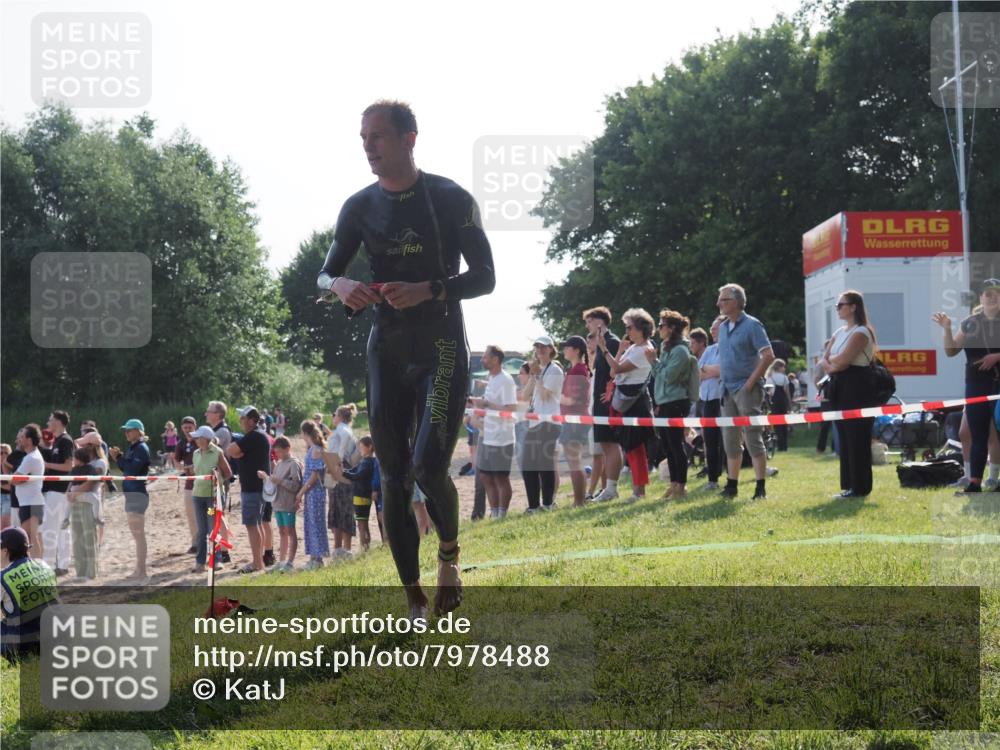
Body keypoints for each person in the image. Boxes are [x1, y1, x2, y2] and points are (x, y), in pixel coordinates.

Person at [316, 100, 495, 619]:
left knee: (427, 465)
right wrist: (341, 285)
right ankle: (412, 593)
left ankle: (449, 557)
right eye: (363, 137)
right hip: (387, 351)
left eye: (377, 136)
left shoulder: (450, 198)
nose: (368, 146)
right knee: (391, 474)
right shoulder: (358, 206)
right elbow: (324, 275)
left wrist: (431, 289)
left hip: (441, 348)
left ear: (409, 138)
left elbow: (485, 276)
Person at [934, 278, 1000, 495]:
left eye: (996, 293)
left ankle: (994, 479)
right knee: (977, 434)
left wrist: (996, 357)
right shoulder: (970, 322)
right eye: (987, 293)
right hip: (976, 386)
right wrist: (947, 329)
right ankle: (974, 483)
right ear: (981, 297)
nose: (992, 297)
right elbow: (951, 350)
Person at [716, 283, 775, 500]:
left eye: (724, 299)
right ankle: (732, 485)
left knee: (752, 437)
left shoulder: (752, 325)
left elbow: (768, 355)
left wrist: (750, 383)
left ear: (738, 302)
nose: (719, 303)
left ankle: (760, 487)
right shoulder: (722, 328)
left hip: (746, 388)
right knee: (730, 438)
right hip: (727, 389)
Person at [820, 290, 880, 499]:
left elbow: (843, 361)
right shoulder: (839, 332)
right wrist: (833, 362)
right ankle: (849, 485)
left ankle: (861, 487)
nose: (838, 308)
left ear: (853, 306)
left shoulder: (862, 332)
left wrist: (834, 362)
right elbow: (824, 359)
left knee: (857, 438)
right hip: (840, 386)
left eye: (841, 305)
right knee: (844, 438)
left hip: (858, 387)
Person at [596, 308, 656, 503]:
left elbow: (617, 368)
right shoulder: (633, 347)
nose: (627, 331)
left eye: (629, 327)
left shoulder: (644, 349)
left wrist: (604, 348)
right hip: (625, 401)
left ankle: (639, 493)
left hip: (635, 403)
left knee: (636, 448)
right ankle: (636, 491)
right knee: (630, 448)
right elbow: (614, 374)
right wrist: (620, 350)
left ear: (640, 328)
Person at [649, 310, 695, 500]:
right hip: (664, 401)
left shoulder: (681, 351)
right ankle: (674, 484)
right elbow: (658, 376)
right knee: (667, 445)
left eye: (661, 325)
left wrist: (653, 361)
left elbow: (668, 377)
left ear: (672, 328)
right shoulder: (666, 347)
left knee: (676, 445)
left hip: (676, 402)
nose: (658, 329)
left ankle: (681, 487)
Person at [471, 345, 518, 517]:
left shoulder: (505, 380)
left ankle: (501, 513)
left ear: (495, 359)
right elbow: (490, 403)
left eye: (485, 357)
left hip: (502, 437)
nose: (482, 360)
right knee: (485, 476)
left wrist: (487, 404)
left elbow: (511, 408)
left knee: (500, 477)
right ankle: (494, 512)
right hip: (489, 434)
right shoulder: (492, 378)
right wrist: (479, 404)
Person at [1, 527, 58, 664]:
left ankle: (18, 658)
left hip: (27, 645)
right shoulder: (44, 565)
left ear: (5, 551)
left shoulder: (3, 577)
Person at [583, 307, 623, 502]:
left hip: (608, 402)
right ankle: (607, 489)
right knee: (605, 445)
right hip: (599, 402)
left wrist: (610, 394)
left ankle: (612, 488)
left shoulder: (613, 342)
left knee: (610, 444)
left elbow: (617, 371)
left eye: (589, 321)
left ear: (600, 321)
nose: (587, 325)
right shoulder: (599, 344)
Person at [521, 336, 565, 512]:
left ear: (551, 350)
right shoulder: (539, 370)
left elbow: (546, 395)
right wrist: (533, 375)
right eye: (537, 347)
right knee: (528, 465)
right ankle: (533, 506)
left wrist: (537, 376)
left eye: (543, 347)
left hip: (550, 421)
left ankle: (547, 504)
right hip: (536, 422)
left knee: (544, 464)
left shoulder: (555, 370)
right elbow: (525, 396)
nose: (540, 350)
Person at [227, 407, 271, 573]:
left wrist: (239, 453)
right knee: (256, 524)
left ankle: (257, 563)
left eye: (243, 418)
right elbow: (233, 451)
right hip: (255, 487)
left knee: (252, 525)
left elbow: (231, 450)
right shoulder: (257, 436)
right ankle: (258, 561)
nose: (240, 421)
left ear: (252, 420)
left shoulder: (254, 436)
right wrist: (239, 453)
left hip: (253, 488)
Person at [109, 419, 152, 581]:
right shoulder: (134, 447)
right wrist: (118, 458)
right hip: (132, 494)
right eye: (125, 431)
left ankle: (141, 570)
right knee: (137, 535)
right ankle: (140, 569)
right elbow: (126, 469)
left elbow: (132, 469)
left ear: (138, 431)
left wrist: (119, 457)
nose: (126, 433)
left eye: (129, 430)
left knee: (139, 535)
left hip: (137, 494)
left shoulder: (141, 448)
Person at [189, 425, 233, 573]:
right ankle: (200, 562)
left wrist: (217, 477)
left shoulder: (217, 452)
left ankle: (217, 560)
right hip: (198, 495)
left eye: (198, 437)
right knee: (201, 530)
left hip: (212, 497)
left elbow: (228, 473)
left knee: (212, 528)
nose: (195, 440)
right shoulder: (195, 453)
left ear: (206, 439)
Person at [258, 435, 302, 572]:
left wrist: (280, 481)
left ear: (288, 449)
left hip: (288, 503)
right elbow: (273, 482)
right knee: (282, 531)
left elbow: (296, 485)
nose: (277, 454)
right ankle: (282, 561)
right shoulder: (279, 464)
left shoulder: (294, 464)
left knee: (290, 531)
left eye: (279, 451)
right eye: (276, 452)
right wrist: (266, 477)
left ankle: (290, 562)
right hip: (278, 503)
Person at [39, 411, 74, 576]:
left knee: (51, 528)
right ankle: (61, 564)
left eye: (50, 419)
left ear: (59, 422)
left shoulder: (65, 441)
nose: (47, 422)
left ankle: (51, 565)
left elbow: (68, 466)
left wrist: (46, 464)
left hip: (58, 489)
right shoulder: (55, 441)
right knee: (59, 527)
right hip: (53, 489)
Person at [558, 336, 591, 507]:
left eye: (567, 347)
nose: (564, 350)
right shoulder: (577, 369)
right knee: (574, 460)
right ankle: (580, 500)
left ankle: (579, 501)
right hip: (573, 419)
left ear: (577, 350)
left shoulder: (578, 370)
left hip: (575, 419)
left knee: (574, 461)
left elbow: (570, 400)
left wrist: (553, 395)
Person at [694, 318, 725, 490]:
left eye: (715, 329)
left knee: (727, 439)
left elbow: (725, 369)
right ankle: (713, 479)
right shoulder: (710, 349)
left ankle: (732, 475)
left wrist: (709, 370)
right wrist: (713, 371)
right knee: (710, 440)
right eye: (711, 329)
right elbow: (698, 372)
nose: (712, 332)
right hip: (706, 399)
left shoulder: (728, 348)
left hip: (721, 398)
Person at [325, 404, 359, 559]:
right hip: (342, 468)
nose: (333, 417)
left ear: (340, 416)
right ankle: (342, 549)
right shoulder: (345, 429)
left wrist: (337, 462)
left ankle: (342, 549)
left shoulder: (342, 429)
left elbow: (341, 446)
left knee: (340, 508)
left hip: (339, 468)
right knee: (341, 509)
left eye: (335, 414)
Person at [297, 420, 329, 569]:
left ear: (305, 433)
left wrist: (301, 492)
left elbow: (315, 475)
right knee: (310, 523)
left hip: (315, 492)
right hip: (311, 492)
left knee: (316, 524)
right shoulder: (312, 449)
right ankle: (313, 557)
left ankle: (317, 559)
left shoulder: (316, 449)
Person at [11, 425, 46, 557]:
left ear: (29, 440)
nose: (19, 439)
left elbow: (14, 479)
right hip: (28, 502)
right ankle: (38, 565)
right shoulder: (31, 456)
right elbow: (16, 479)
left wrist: (19, 480)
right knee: (33, 536)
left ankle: (37, 567)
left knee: (29, 537)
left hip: (32, 503)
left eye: (22, 437)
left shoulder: (31, 458)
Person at [65, 447, 99, 582]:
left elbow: (90, 484)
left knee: (89, 538)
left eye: (74, 458)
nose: (73, 460)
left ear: (79, 458)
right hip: (75, 504)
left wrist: (75, 493)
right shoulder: (74, 470)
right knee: (77, 538)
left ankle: (91, 572)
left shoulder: (91, 469)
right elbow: (69, 483)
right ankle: (80, 571)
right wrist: (68, 494)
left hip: (86, 505)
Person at [340, 436, 377, 552]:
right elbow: (353, 470)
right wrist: (342, 471)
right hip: (359, 495)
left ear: (369, 447)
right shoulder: (364, 461)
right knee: (362, 523)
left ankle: (364, 549)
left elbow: (357, 476)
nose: (359, 449)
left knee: (362, 524)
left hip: (362, 495)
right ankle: (365, 548)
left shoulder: (369, 462)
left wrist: (342, 473)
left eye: (361, 447)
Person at [173, 417, 199, 554]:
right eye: (185, 428)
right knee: (191, 514)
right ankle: (195, 543)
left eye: (190, 427)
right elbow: (176, 461)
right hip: (189, 485)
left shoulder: (201, 440)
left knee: (209, 513)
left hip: (205, 485)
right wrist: (183, 468)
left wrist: (195, 467)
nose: (188, 430)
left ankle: (212, 542)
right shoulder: (181, 444)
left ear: (195, 426)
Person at [766, 359, 792, 452]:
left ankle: (779, 445)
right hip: (783, 402)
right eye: (783, 366)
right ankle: (784, 445)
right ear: (779, 367)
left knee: (776, 424)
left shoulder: (769, 377)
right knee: (784, 423)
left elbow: (769, 392)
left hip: (774, 402)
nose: (784, 368)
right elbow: (787, 392)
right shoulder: (784, 377)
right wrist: (789, 402)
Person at [0, 444, 11, 529]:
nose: (3, 455)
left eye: (6, 453)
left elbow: (12, 487)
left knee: (4, 528)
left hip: (8, 498)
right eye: (1, 453)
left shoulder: (11, 467)